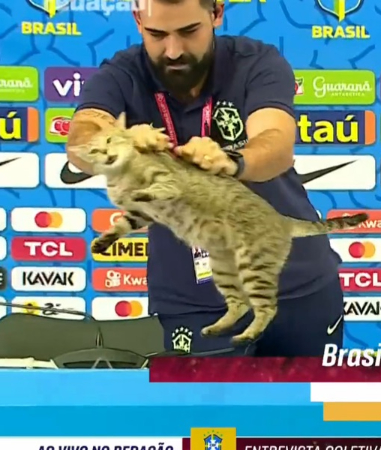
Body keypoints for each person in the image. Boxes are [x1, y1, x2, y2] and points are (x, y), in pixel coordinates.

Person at [66, 0, 344, 356]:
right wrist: (122, 141)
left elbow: (276, 143)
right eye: (157, 34)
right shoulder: (122, 74)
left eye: (188, 31)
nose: (173, 50)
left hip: (297, 288)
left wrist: (231, 161)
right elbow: (80, 139)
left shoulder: (256, 61)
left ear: (216, 13)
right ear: (137, 20)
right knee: (199, 397)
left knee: (310, 396)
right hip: (188, 303)